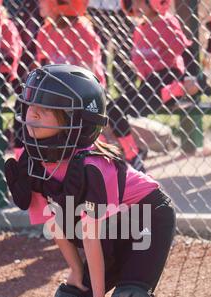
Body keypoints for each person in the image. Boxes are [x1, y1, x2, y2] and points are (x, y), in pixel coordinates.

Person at [4, 63, 187, 297]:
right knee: (72, 296)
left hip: (147, 217)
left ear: (74, 121)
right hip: (103, 229)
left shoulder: (94, 167)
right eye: (29, 108)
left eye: (43, 110)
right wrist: (77, 276)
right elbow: (57, 222)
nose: (29, 115)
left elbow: (94, 234)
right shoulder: (34, 161)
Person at [34, 0, 146, 172]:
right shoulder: (45, 31)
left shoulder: (82, 31)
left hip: (86, 95)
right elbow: (43, 70)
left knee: (84, 126)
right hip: (59, 95)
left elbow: (86, 76)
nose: (39, 2)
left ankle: (121, 159)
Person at [107, 0, 202, 157]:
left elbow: (186, 51)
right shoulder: (140, 28)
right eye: (131, 2)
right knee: (113, 109)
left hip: (167, 77)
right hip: (149, 86)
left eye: (140, 3)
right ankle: (132, 153)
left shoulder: (165, 23)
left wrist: (190, 78)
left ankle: (178, 89)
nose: (135, 7)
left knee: (116, 110)